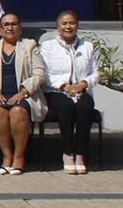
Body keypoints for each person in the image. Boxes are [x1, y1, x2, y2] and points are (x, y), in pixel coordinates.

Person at [0, 12, 46, 175]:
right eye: (6, 25)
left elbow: (39, 74)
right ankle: (6, 156)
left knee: (18, 111)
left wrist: (23, 92)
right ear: (0, 30)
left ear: (20, 28)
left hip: (25, 95)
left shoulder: (30, 45)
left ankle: (19, 157)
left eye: (14, 24)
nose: (10, 27)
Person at [39, 10, 100, 174]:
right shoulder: (48, 46)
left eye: (71, 23)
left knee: (85, 107)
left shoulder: (87, 46)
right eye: (64, 23)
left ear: (77, 25)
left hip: (80, 91)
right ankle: (67, 153)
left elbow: (95, 73)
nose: (68, 26)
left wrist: (83, 84)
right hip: (55, 92)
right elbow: (45, 74)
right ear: (58, 27)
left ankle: (80, 153)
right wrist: (64, 87)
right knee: (66, 107)